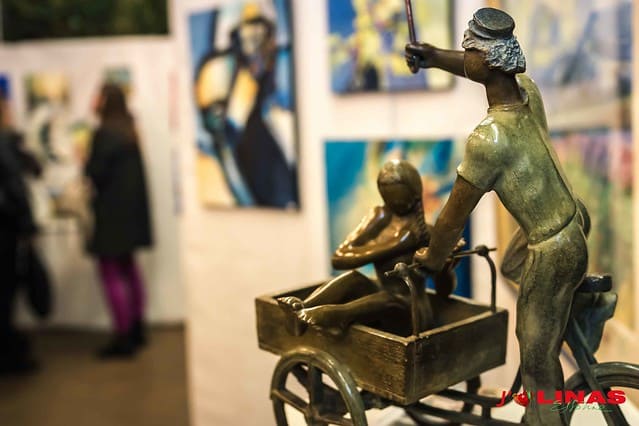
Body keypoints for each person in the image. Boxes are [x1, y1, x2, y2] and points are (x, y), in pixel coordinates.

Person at [406, 8, 589, 425]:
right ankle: (582, 307)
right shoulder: (527, 90)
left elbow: (452, 218)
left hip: (553, 249)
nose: (464, 57)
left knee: (536, 353)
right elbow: (477, 66)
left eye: (468, 50)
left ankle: (546, 419)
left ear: (486, 61)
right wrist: (433, 56)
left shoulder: (488, 139)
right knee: (510, 267)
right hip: (572, 220)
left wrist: (433, 259)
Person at [278, 160, 459, 336]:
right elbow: (339, 258)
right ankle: (302, 309)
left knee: (389, 299)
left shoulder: (426, 233)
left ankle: (340, 315)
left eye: (399, 200)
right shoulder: (381, 217)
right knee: (354, 279)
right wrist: (396, 245)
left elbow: (444, 291)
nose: (393, 205)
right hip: (381, 295)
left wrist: (446, 267)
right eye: (389, 200)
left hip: (410, 309)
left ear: (414, 194)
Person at [85, 83, 152, 359]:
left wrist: (83, 160)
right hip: (130, 217)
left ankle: (123, 337)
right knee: (129, 268)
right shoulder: (129, 131)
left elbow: (95, 173)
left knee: (110, 272)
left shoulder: (104, 134)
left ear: (105, 101)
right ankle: (136, 328)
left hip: (111, 218)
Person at [0, 118, 40, 374]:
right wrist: (27, 225)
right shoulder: (4, 143)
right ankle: (9, 355)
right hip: (4, 231)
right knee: (5, 294)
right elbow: (15, 187)